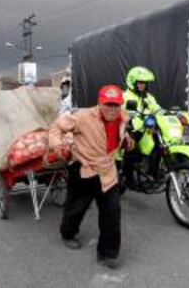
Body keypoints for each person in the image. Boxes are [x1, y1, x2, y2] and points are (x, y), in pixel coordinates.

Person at [48, 85, 135, 269]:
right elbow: (56, 127)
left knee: (112, 211)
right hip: (84, 169)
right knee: (76, 208)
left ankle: (108, 253)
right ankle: (68, 233)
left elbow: (121, 132)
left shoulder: (123, 117)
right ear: (100, 103)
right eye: (108, 104)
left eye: (116, 105)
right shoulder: (82, 116)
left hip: (108, 171)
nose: (112, 109)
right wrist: (58, 146)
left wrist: (127, 140)